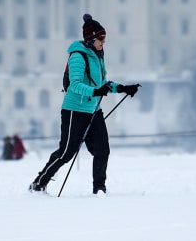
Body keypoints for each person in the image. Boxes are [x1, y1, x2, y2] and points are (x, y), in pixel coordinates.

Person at [29, 13, 140, 195]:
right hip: (75, 110)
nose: (104, 42)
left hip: (94, 110)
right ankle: (38, 184)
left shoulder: (98, 56)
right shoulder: (78, 56)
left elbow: (102, 84)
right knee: (66, 153)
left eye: (104, 38)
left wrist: (123, 88)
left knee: (102, 149)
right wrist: (95, 92)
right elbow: (75, 85)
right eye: (101, 38)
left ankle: (99, 189)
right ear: (90, 39)